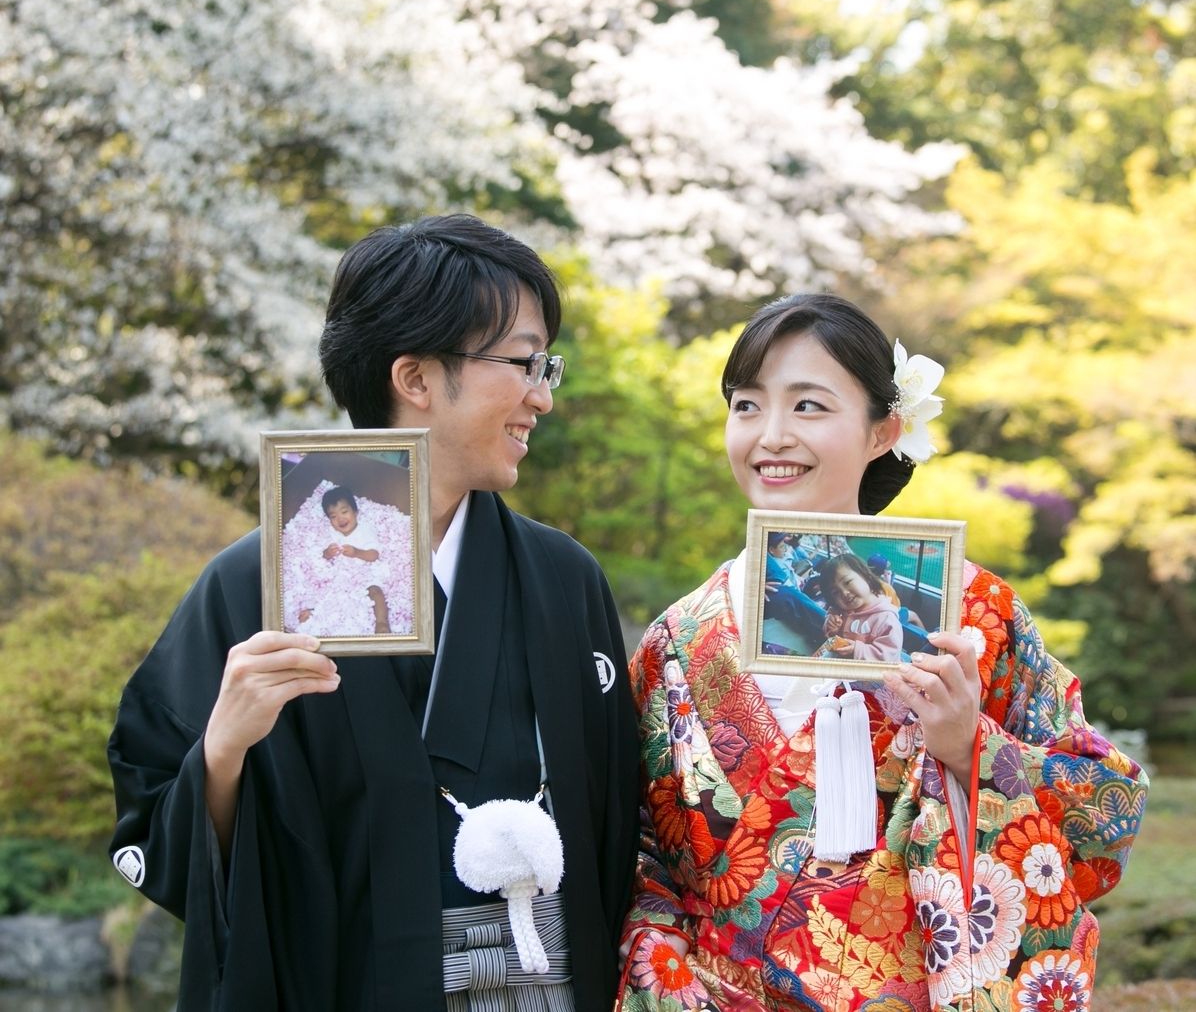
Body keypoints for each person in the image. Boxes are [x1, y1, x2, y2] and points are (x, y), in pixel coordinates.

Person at [108, 214, 640, 1011]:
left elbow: (621, 822)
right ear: (416, 378)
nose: (543, 396)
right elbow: (157, 826)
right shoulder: (252, 585)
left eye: (546, 366)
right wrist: (224, 747)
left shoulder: (563, 579)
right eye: (524, 363)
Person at [617, 293, 1147, 1011]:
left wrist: (970, 749)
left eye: (808, 405)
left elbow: (1102, 813)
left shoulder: (975, 615)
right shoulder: (677, 641)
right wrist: (660, 944)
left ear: (883, 431)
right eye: (746, 406)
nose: (771, 435)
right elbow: (636, 843)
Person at [290, 487, 390, 634]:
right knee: (329, 593)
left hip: (365, 576)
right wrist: (327, 553)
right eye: (333, 516)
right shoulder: (331, 534)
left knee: (376, 591)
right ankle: (318, 614)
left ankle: (382, 623)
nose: (340, 519)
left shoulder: (365, 530)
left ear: (355, 512)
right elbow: (322, 559)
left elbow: (374, 555)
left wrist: (357, 552)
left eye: (344, 512)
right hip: (341, 580)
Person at [817, 552, 903, 662]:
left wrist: (857, 650)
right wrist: (831, 627)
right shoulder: (840, 611)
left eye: (847, 582)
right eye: (835, 592)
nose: (844, 593)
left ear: (865, 576)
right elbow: (831, 636)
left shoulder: (886, 619)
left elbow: (888, 658)